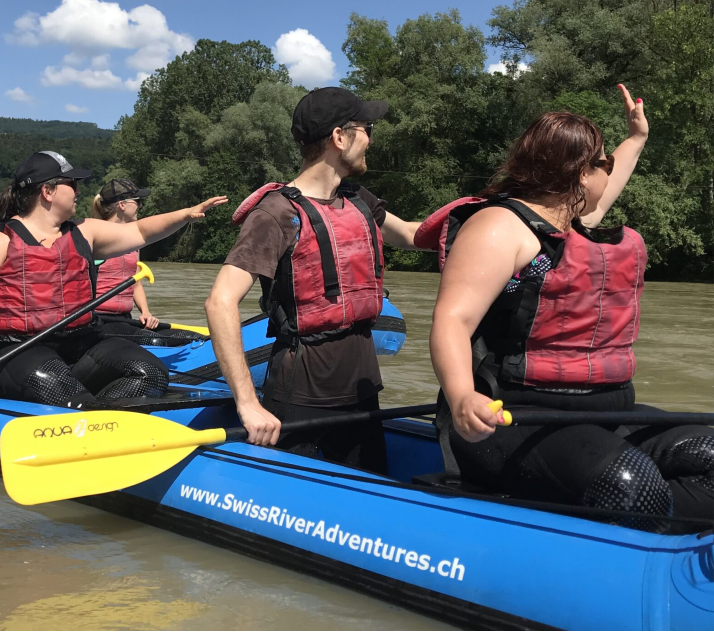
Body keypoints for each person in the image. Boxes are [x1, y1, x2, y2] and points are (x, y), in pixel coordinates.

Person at [419, 85, 714, 525]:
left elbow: (604, 189)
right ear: (580, 174)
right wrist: (462, 396)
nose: (608, 175)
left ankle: (656, 524)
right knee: (630, 484)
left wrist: (635, 139)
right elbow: (452, 320)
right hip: (512, 416)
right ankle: (638, 521)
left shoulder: (570, 224)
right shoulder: (500, 227)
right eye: (603, 164)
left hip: (605, 412)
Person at [205, 87, 422, 473]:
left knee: (368, 494)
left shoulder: (359, 200)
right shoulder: (276, 214)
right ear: (340, 137)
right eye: (366, 127)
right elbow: (219, 302)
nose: (371, 138)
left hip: (362, 386)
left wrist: (486, 227)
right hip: (301, 392)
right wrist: (247, 403)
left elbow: (409, 235)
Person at [0, 150, 226, 407]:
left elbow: (139, 232)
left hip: (81, 344)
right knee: (54, 385)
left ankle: (98, 412)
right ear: (48, 191)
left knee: (150, 372)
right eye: (71, 183)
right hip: (18, 350)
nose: (78, 190)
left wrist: (186, 214)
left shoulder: (85, 231)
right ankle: (83, 408)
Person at [90, 178, 202, 347]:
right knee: (154, 341)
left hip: (125, 320)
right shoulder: (96, 238)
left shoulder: (133, 241)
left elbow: (135, 283)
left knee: (190, 337)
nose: (140, 206)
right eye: (137, 201)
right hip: (99, 320)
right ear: (122, 204)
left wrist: (146, 313)